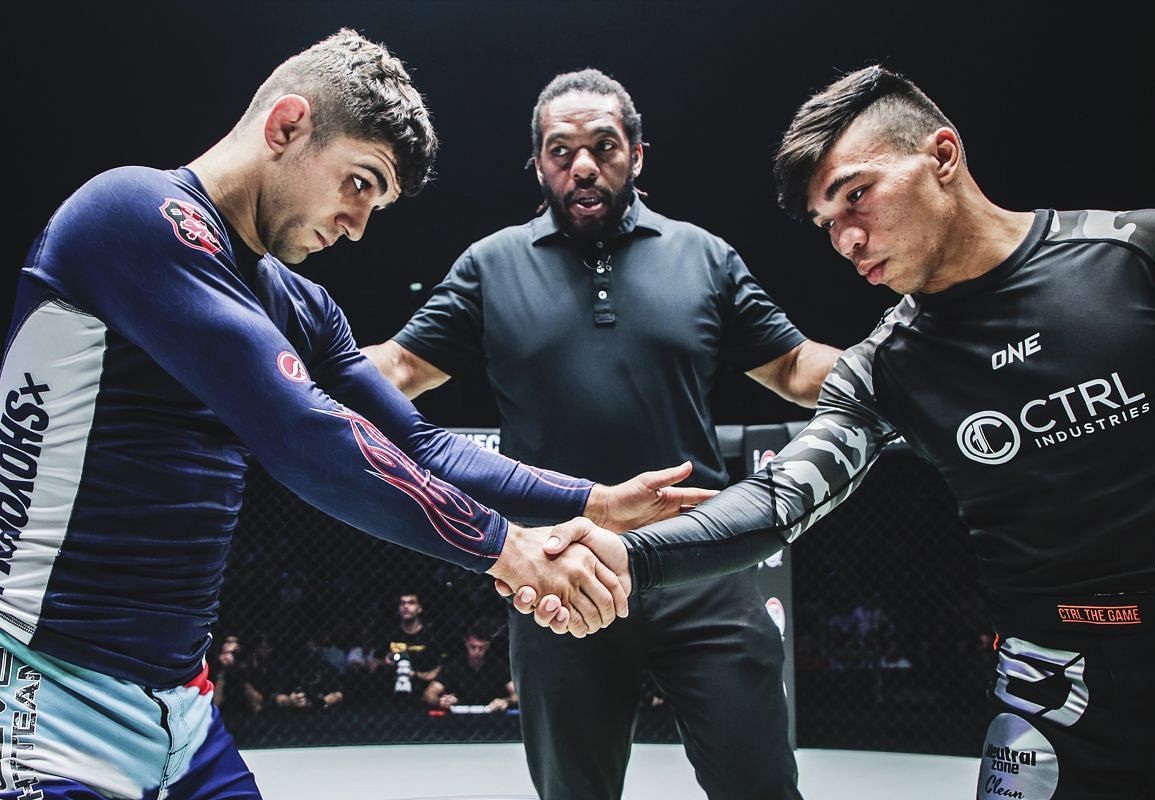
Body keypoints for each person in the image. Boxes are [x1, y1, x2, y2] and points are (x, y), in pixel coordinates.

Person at [0, 30, 708, 800]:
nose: (360, 223)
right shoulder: (133, 214)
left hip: (183, 712)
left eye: (379, 200)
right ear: (287, 126)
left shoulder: (299, 303)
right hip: (42, 693)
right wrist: (512, 551)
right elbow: (307, 437)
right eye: (360, 182)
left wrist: (591, 500)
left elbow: (422, 444)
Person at [537, 65, 1155, 799]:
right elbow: (777, 501)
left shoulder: (1150, 255)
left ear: (942, 156)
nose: (847, 238)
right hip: (1050, 696)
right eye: (827, 222)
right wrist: (625, 554)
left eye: (857, 195)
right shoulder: (883, 368)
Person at [364, 68, 840, 800]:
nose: (582, 165)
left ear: (637, 153)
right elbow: (394, 368)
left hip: (701, 567)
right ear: (538, 163)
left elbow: (797, 367)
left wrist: (910, 363)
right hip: (561, 571)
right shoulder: (492, 266)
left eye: (603, 146)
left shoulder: (703, 257)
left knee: (762, 785)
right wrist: (262, 363)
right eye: (561, 150)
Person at [422, 624, 517, 714]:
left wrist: (506, 701)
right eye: (473, 647)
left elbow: (518, 695)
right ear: (466, 643)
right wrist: (440, 701)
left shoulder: (497, 665)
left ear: (488, 646)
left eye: (481, 648)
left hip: (492, 716)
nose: (476, 652)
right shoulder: (454, 665)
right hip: (459, 719)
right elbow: (428, 694)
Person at [382, 591, 445, 706]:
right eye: (402, 603)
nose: (405, 606)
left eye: (411, 603)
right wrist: (386, 660)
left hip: (421, 690)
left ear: (419, 608)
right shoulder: (389, 632)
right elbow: (375, 661)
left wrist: (416, 675)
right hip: (389, 691)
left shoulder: (430, 634)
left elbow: (440, 668)